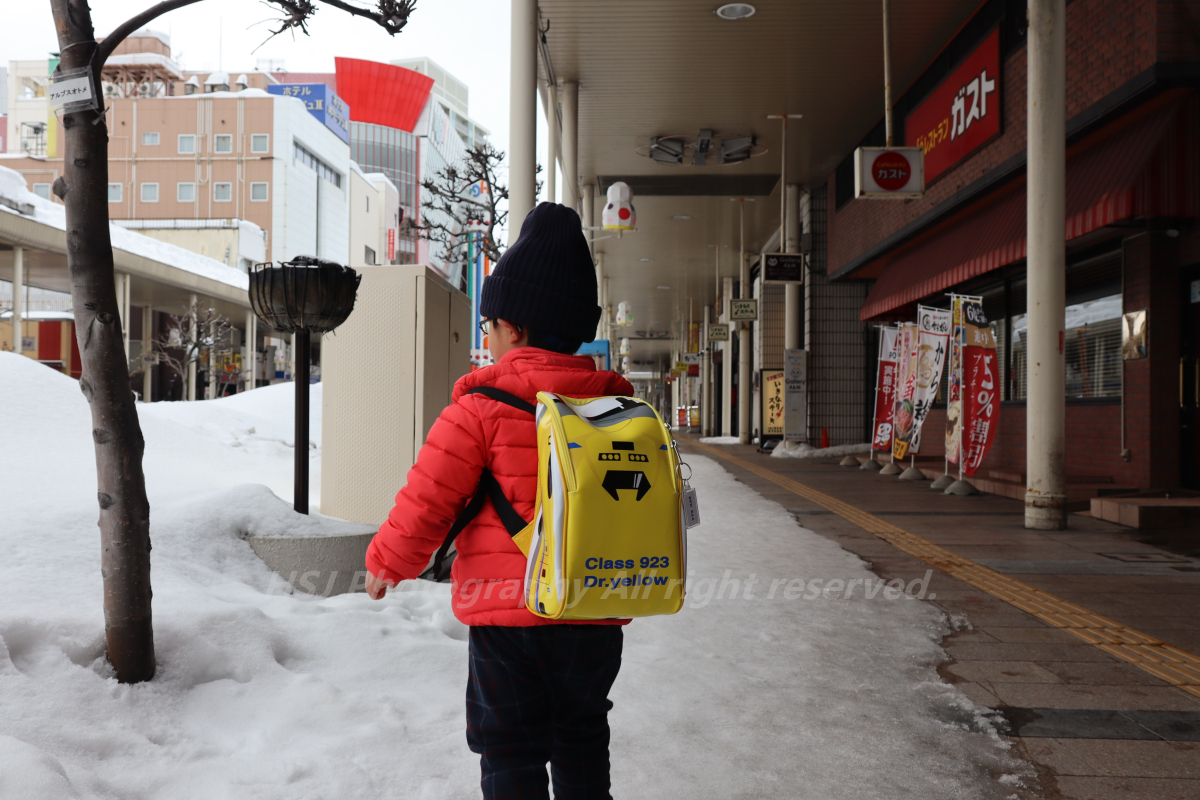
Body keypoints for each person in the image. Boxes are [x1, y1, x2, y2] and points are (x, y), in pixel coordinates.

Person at [366, 203, 634, 800]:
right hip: (593, 610)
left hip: (506, 618)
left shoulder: (479, 411)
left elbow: (427, 500)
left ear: (514, 328)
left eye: (489, 325)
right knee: (583, 736)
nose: (485, 337)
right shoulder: (618, 412)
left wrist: (387, 562)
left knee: (510, 746)